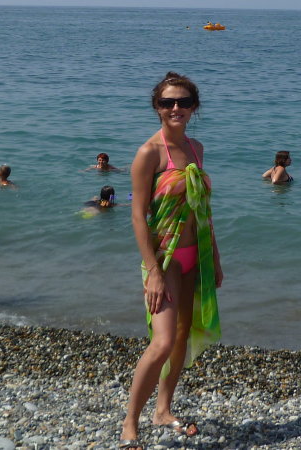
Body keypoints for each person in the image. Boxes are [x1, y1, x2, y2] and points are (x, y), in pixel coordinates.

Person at [121, 72, 222, 449]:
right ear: (157, 107)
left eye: (183, 102)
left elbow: (202, 208)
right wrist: (153, 272)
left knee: (182, 335)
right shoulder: (149, 152)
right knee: (162, 342)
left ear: (194, 107)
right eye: (167, 102)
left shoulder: (196, 148)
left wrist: (215, 256)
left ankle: (163, 409)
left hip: (197, 253)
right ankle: (130, 421)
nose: (175, 108)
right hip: (164, 258)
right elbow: (137, 216)